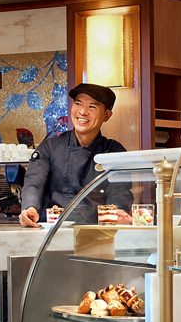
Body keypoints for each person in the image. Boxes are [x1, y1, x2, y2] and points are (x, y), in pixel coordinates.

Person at [19, 83, 130, 227]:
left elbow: (120, 191)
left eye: (92, 106)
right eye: (78, 104)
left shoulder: (114, 151)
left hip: (96, 233)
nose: (83, 112)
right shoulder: (50, 147)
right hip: (52, 232)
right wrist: (30, 208)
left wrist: (118, 212)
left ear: (106, 115)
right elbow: (34, 183)